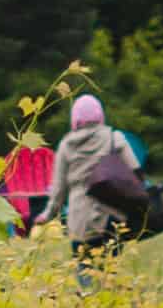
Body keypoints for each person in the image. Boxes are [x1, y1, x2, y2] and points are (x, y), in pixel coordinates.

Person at [50, 93, 149, 248]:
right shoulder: (115, 138)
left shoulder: (66, 145)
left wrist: (47, 214)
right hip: (112, 216)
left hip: (80, 222)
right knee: (111, 268)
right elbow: (137, 172)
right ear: (100, 115)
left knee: (84, 267)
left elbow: (58, 190)